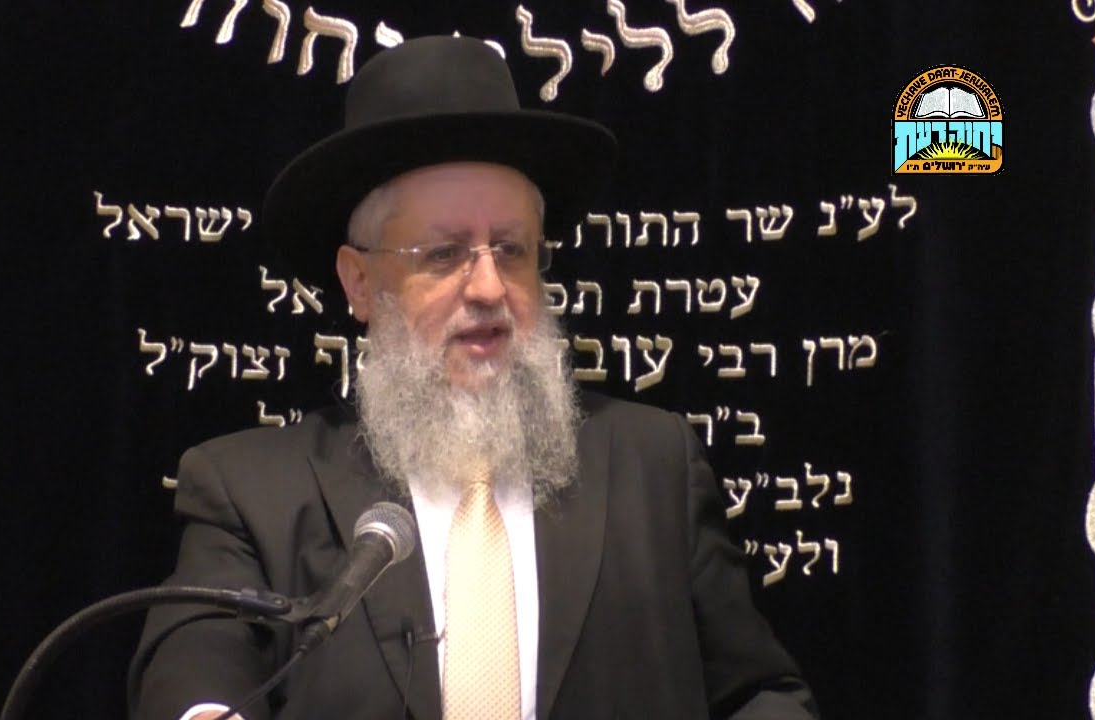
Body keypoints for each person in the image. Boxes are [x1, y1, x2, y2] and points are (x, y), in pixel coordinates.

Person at [128, 35, 819, 720]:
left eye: (511, 250)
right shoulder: (249, 491)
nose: (488, 287)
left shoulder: (655, 465)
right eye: (443, 254)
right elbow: (196, 663)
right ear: (360, 282)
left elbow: (761, 694)